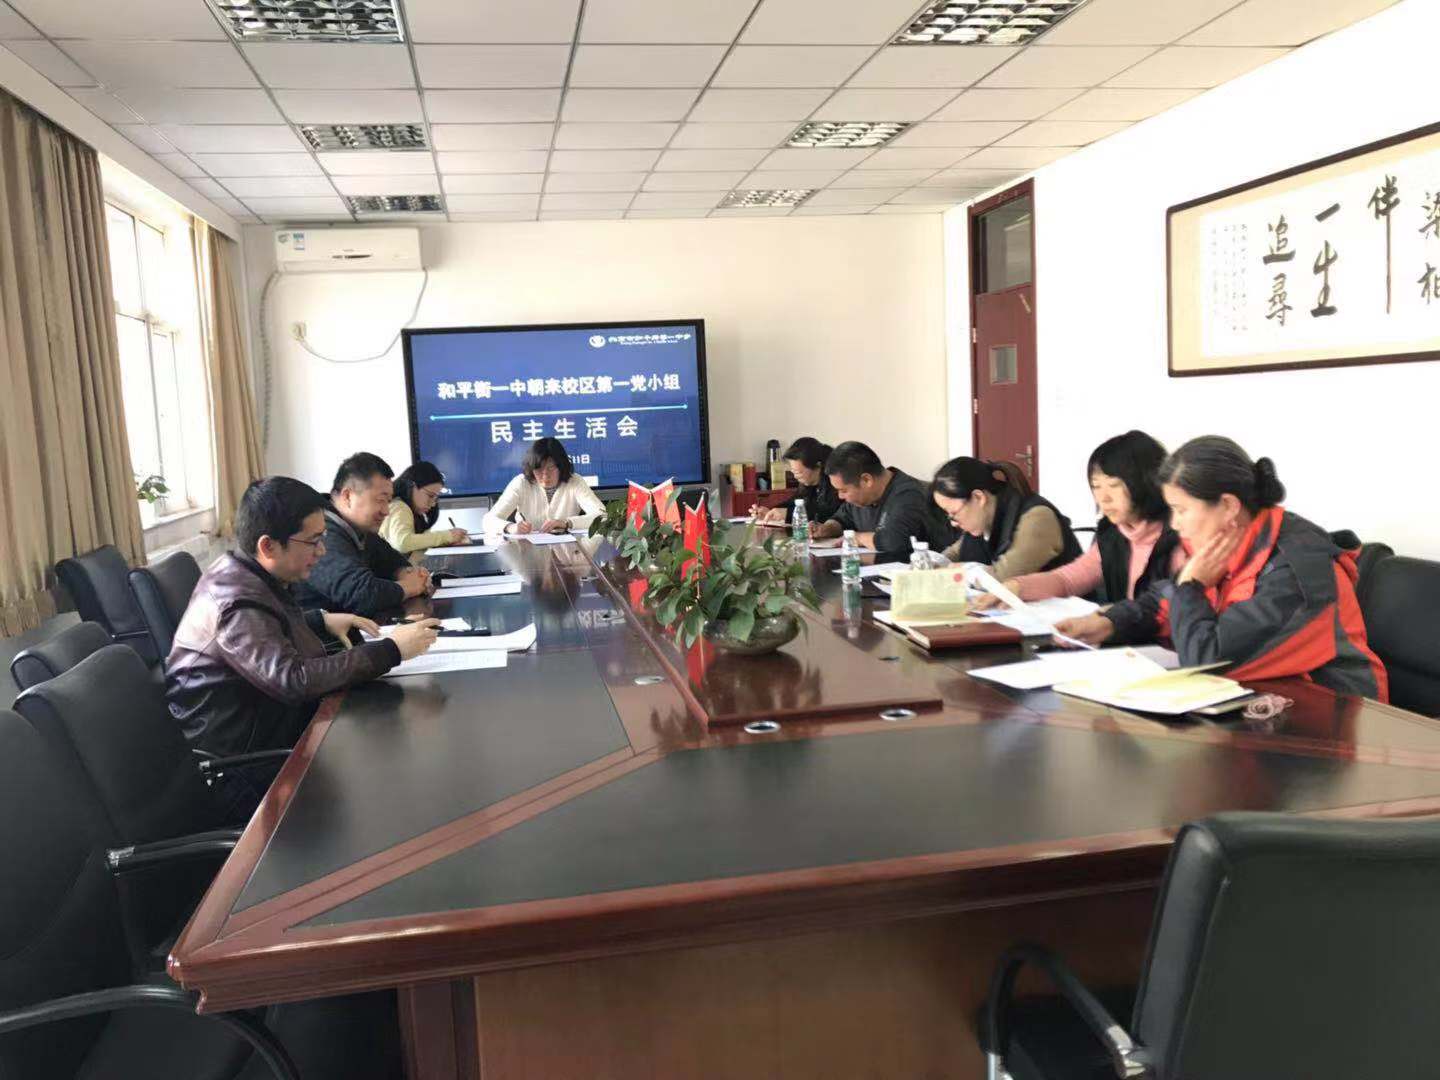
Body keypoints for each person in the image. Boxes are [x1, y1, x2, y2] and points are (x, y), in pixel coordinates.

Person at [166, 476, 439, 815]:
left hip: (276, 731)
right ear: (268, 546)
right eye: (313, 542)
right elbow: (293, 680)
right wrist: (391, 650)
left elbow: (264, 633)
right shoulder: (235, 602)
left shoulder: (247, 572)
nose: (321, 551)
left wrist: (319, 620)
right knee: (393, 779)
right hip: (246, 771)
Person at [1054, 436, 1388, 700]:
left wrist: (1191, 588)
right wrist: (1109, 622)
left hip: (1334, 722)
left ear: (1228, 505)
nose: (1175, 524)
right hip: (1260, 704)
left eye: (1181, 510)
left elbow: (1208, 660)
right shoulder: (1224, 543)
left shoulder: (1298, 572)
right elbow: (1164, 600)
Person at [974, 430, 1183, 608]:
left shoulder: (1178, 537)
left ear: (1145, 482)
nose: (1103, 498)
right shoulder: (1114, 534)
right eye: (1096, 486)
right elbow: (1068, 579)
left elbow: (1171, 611)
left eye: (1113, 485)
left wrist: (1112, 618)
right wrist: (1017, 587)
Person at [294, 452, 432, 618]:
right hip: (322, 632)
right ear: (347, 496)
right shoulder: (322, 531)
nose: (386, 511)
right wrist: (411, 587)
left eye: (388, 501)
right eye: (380, 500)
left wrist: (408, 573)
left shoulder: (359, 528)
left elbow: (391, 560)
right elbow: (360, 594)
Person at [933, 456, 1081, 578]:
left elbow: (1003, 578)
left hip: (1067, 603)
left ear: (978, 497)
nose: (953, 523)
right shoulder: (984, 520)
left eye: (954, 513)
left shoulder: (1037, 518)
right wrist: (933, 563)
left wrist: (960, 570)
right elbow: (955, 552)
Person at [808, 441, 954, 563]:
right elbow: (842, 518)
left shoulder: (909, 494)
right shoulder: (861, 498)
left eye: (843, 490)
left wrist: (858, 538)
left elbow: (894, 541)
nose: (840, 496)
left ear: (866, 480)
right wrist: (826, 528)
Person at [483, 437, 605, 536]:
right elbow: (488, 521)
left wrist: (567, 523)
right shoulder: (521, 483)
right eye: (539, 469)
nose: (545, 475)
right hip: (527, 552)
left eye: (551, 468)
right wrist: (510, 527)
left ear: (561, 466)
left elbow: (603, 517)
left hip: (567, 552)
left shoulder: (575, 481)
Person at [381, 461, 468, 564]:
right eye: (430, 496)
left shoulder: (411, 511)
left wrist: (446, 541)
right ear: (412, 486)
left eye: (436, 498)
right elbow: (402, 542)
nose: (433, 504)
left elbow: (414, 546)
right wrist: (447, 536)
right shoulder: (399, 507)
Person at [754, 436, 841, 526]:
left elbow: (827, 514)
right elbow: (793, 503)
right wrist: (770, 511)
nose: (795, 476)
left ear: (818, 466)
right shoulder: (807, 486)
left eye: (798, 472)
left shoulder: (835, 484)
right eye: (793, 472)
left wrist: (788, 514)